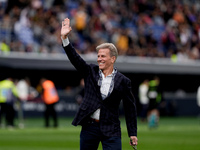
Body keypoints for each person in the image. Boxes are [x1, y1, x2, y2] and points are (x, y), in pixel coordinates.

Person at [61, 18, 138, 150]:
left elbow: (130, 108)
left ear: (112, 59)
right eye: (98, 56)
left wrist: (132, 133)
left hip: (111, 128)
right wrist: (64, 38)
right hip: (89, 128)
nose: (99, 59)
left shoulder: (123, 81)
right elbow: (75, 58)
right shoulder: (90, 71)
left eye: (103, 56)